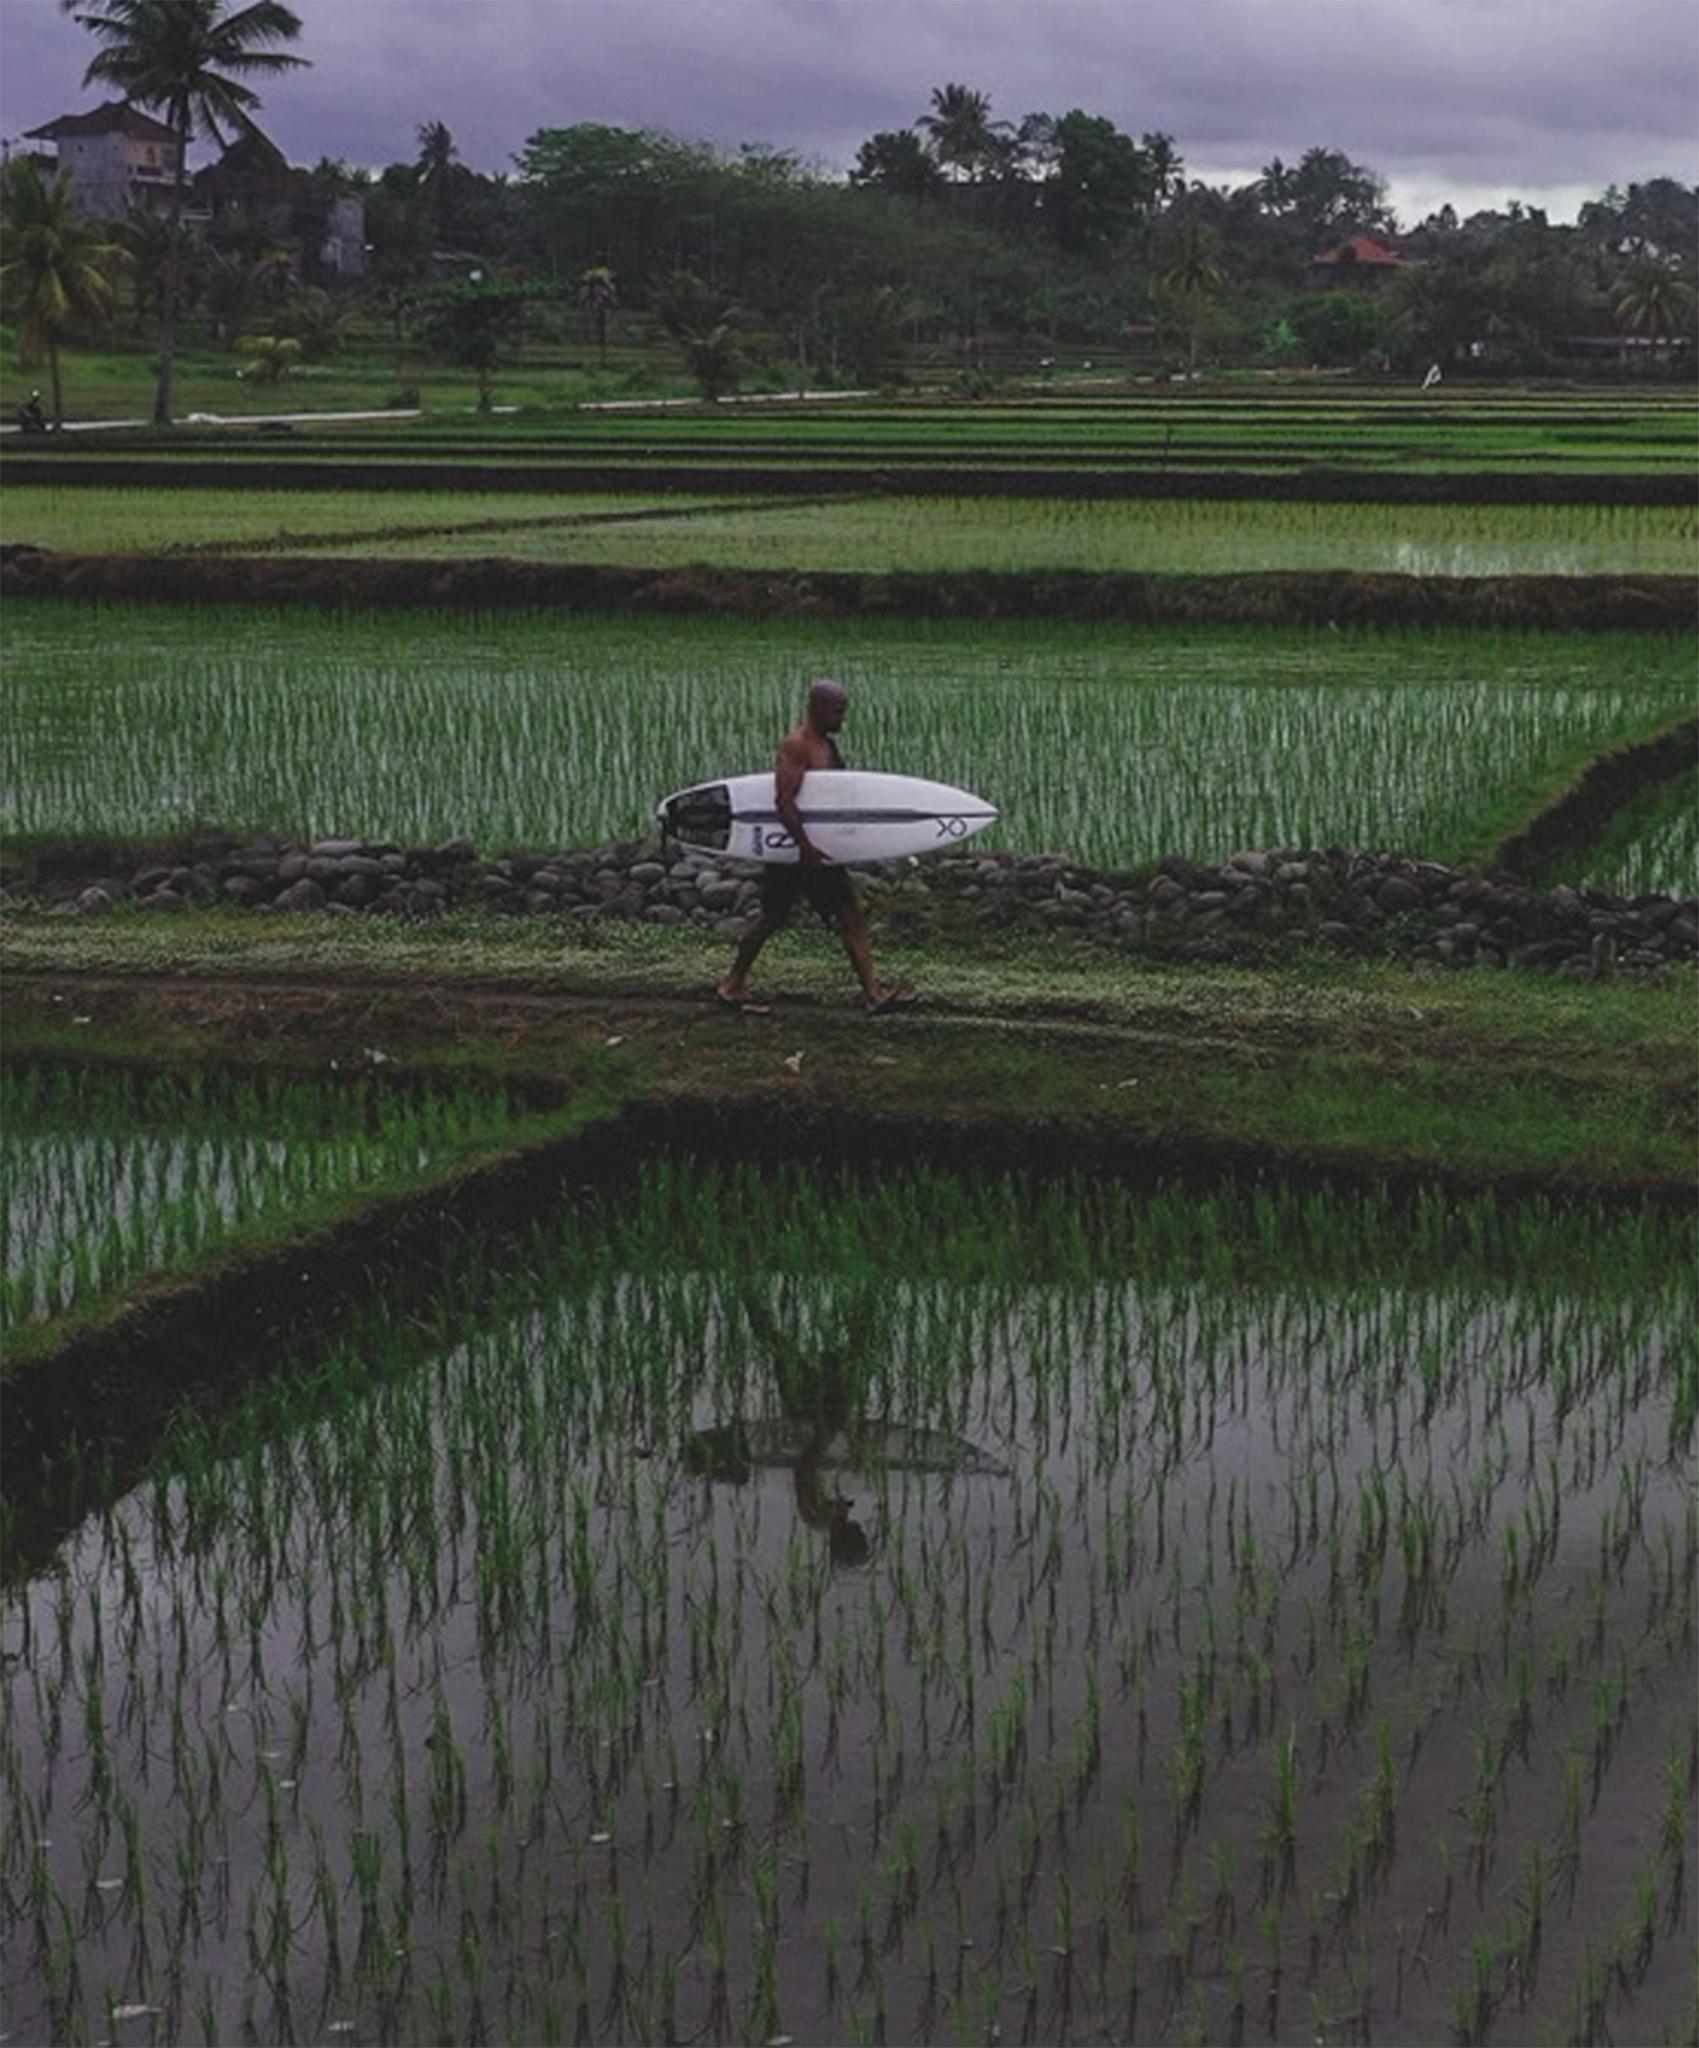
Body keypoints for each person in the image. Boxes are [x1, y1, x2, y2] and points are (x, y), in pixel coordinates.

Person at [716, 678, 909, 1014]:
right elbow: (783, 802)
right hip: (801, 853)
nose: (842, 719)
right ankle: (872, 994)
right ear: (818, 708)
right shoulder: (798, 745)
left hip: (815, 850)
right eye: (837, 711)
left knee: (783, 917)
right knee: (837, 916)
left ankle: (733, 983)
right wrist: (805, 847)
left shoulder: (825, 743)